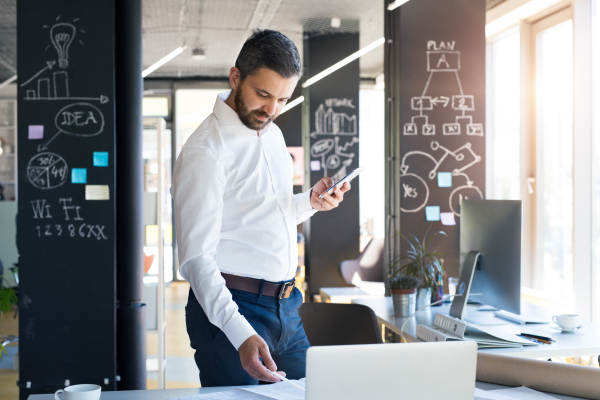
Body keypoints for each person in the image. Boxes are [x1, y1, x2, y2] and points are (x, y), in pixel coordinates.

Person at [171, 29, 351, 387]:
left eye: (283, 99)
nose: (271, 110)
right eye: (263, 94)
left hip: (287, 307)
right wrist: (240, 332)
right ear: (236, 77)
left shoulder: (272, 134)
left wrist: (311, 203)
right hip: (232, 310)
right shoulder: (204, 152)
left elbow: (268, 212)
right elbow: (195, 260)